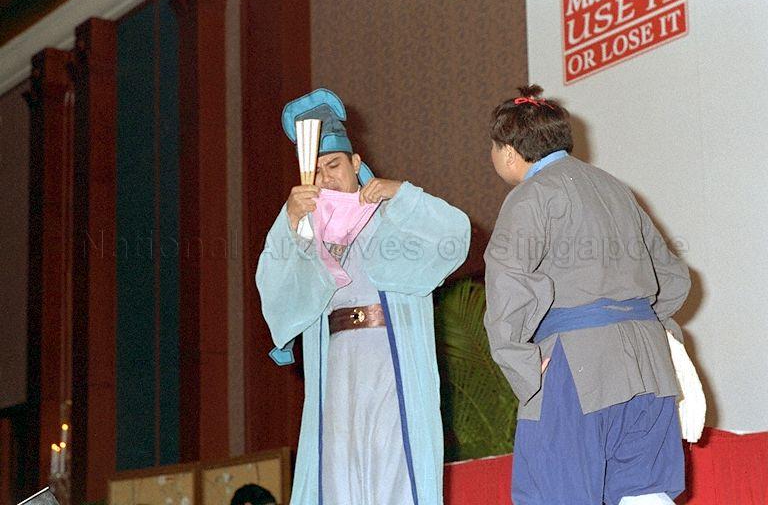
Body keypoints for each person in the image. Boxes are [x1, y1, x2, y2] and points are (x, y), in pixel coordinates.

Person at [256, 88, 470, 505]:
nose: (326, 177)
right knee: (339, 472)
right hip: (339, 365)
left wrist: (403, 194)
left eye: (334, 164)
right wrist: (290, 219)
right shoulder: (306, 231)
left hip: (390, 357)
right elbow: (275, 288)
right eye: (314, 171)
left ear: (355, 163)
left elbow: (454, 234)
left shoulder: (391, 211)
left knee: (394, 466)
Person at [484, 85, 691, 505]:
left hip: (575, 367)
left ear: (508, 151)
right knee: (646, 496)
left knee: (555, 493)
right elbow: (673, 279)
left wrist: (524, 366)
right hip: (649, 366)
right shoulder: (616, 189)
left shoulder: (530, 195)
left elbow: (508, 290)